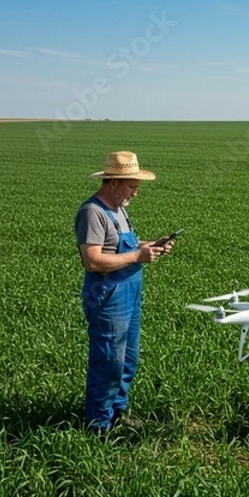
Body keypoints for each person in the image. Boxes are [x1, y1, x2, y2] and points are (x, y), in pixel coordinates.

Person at [74, 150, 174, 433]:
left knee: (127, 359)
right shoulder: (92, 212)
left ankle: (117, 412)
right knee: (108, 360)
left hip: (128, 294)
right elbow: (92, 260)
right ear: (113, 182)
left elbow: (122, 245)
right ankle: (98, 425)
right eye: (132, 187)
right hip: (107, 296)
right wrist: (137, 257)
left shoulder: (118, 209)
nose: (136, 193)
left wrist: (151, 245)